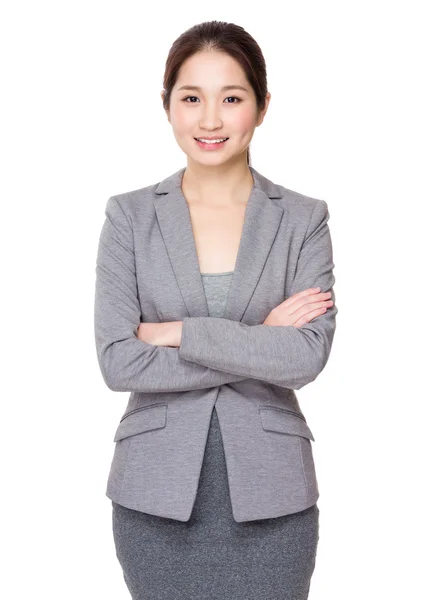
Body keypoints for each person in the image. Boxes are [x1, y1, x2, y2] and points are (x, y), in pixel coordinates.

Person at [94, 20, 337, 600]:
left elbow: (305, 356)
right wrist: (259, 339)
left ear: (262, 105)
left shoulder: (303, 219)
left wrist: (177, 332)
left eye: (231, 98)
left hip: (273, 496)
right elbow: (118, 363)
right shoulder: (129, 217)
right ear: (167, 106)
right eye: (191, 98)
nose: (210, 120)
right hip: (154, 494)